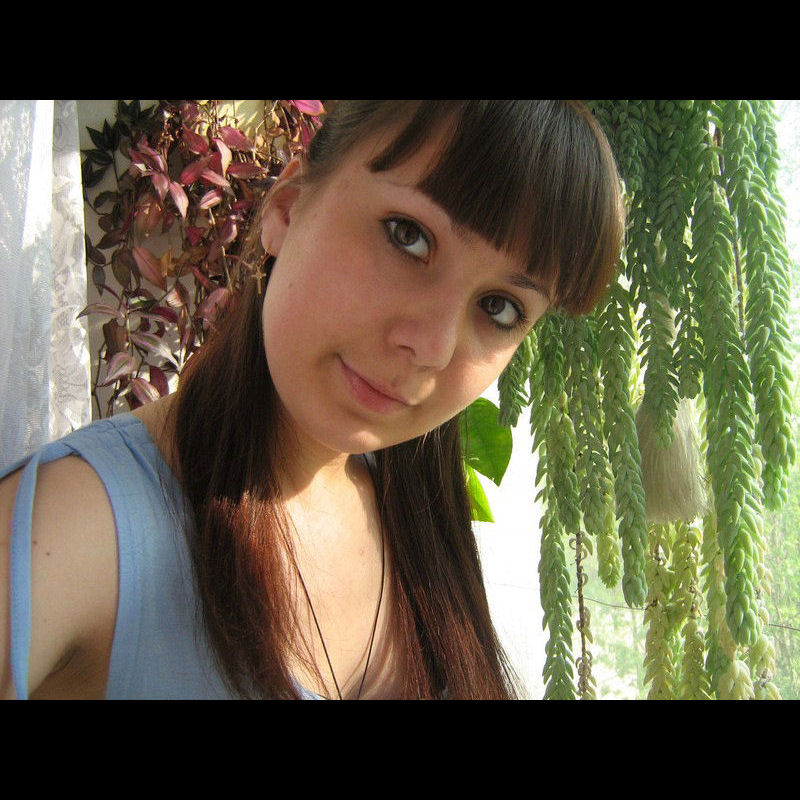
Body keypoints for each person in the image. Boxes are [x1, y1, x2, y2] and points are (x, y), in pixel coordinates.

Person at [0, 100, 624, 700]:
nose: (431, 347)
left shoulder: (415, 521)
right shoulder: (73, 533)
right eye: (408, 236)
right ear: (288, 207)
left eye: (499, 307)